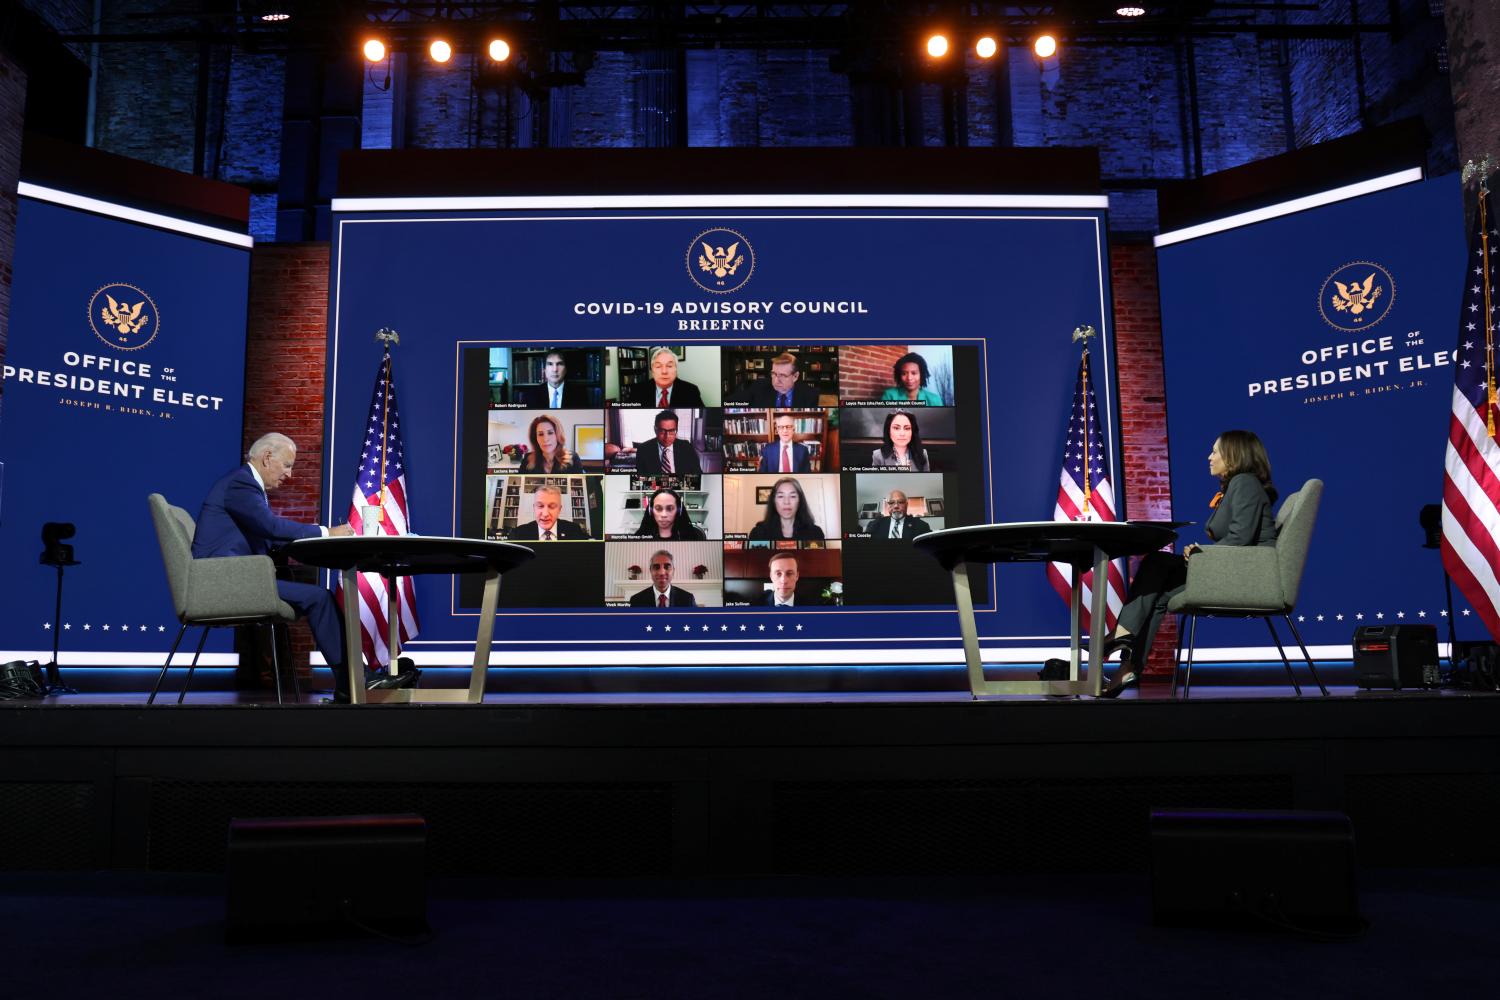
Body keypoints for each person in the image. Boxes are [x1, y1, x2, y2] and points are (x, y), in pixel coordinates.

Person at [192, 432, 417, 702]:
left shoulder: (245, 486)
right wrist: (326, 532)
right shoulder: (241, 484)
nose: (290, 474)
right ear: (267, 458)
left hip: (239, 577)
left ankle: (354, 681)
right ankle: (355, 682)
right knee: (320, 598)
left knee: (318, 597)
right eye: (287, 465)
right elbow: (270, 527)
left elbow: (267, 537)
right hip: (224, 581)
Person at [1100, 430, 1281, 697]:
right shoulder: (1239, 485)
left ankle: (1122, 638)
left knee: (1158, 563)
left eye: (1216, 451)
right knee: (1158, 589)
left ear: (1234, 456)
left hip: (1247, 576)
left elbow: (1241, 538)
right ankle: (1128, 665)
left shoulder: (1245, 482)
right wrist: (1202, 552)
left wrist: (1203, 552)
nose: (1209, 457)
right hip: (1234, 569)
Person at [729, 351, 821, 407]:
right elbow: (732, 402)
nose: (776, 380)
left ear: (795, 376)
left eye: (783, 375)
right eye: (774, 374)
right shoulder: (759, 386)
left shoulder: (810, 395)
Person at [747, 477, 825, 541]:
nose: (786, 502)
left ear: (800, 500)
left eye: (792, 496)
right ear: (774, 501)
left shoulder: (816, 533)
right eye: (781, 496)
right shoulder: (757, 533)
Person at [626, 347, 704, 407]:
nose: (664, 371)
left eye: (669, 366)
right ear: (652, 370)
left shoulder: (691, 391)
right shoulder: (637, 391)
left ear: (676, 369)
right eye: (658, 366)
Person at [507, 484, 590, 540]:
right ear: (534, 508)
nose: (545, 514)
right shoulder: (518, 534)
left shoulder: (574, 530)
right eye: (540, 506)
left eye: (552, 507)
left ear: (559, 510)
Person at [633, 409, 702, 475]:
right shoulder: (643, 449)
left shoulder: (687, 447)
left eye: (671, 431)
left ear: (676, 430)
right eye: (662, 431)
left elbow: (697, 473)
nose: (667, 436)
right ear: (655, 430)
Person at [517, 351, 592, 408]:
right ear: (544, 370)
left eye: (559, 364)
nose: (555, 369)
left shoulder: (579, 395)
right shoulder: (529, 395)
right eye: (550, 364)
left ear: (565, 370)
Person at [629, 549, 698, 607]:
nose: (661, 572)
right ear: (650, 571)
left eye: (667, 567)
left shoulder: (688, 599)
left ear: (673, 571)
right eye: (656, 567)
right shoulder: (636, 601)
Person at [632, 487, 706, 540]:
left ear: (679, 511)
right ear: (650, 511)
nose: (664, 515)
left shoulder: (691, 537)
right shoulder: (639, 537)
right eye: (658, 508)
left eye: (670, 508)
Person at [519, 413, 583, 473]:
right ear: (535, 438)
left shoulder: (573, 458)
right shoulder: (527, 459)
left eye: (550, 433)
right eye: (540, 434)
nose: (545, 439)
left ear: (558, 435)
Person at [760, 551, 827, 606]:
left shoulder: (813, 606)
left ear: (797, 576)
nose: (784, 581)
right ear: (771, 576)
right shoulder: (755, 604)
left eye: (789, 573)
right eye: (778, 574)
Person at [864, 489, 932, 541]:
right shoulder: (874, 524)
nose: (896, 506)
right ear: (887, 506)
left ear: (907, 505)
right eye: (891, 502)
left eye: (901, 502)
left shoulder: (922, 526)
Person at [880, 352, 944, 406]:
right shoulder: (889, 396)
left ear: (921, 375)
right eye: (904, 373)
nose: (909, 378)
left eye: (914, 373)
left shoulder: (934, 400)